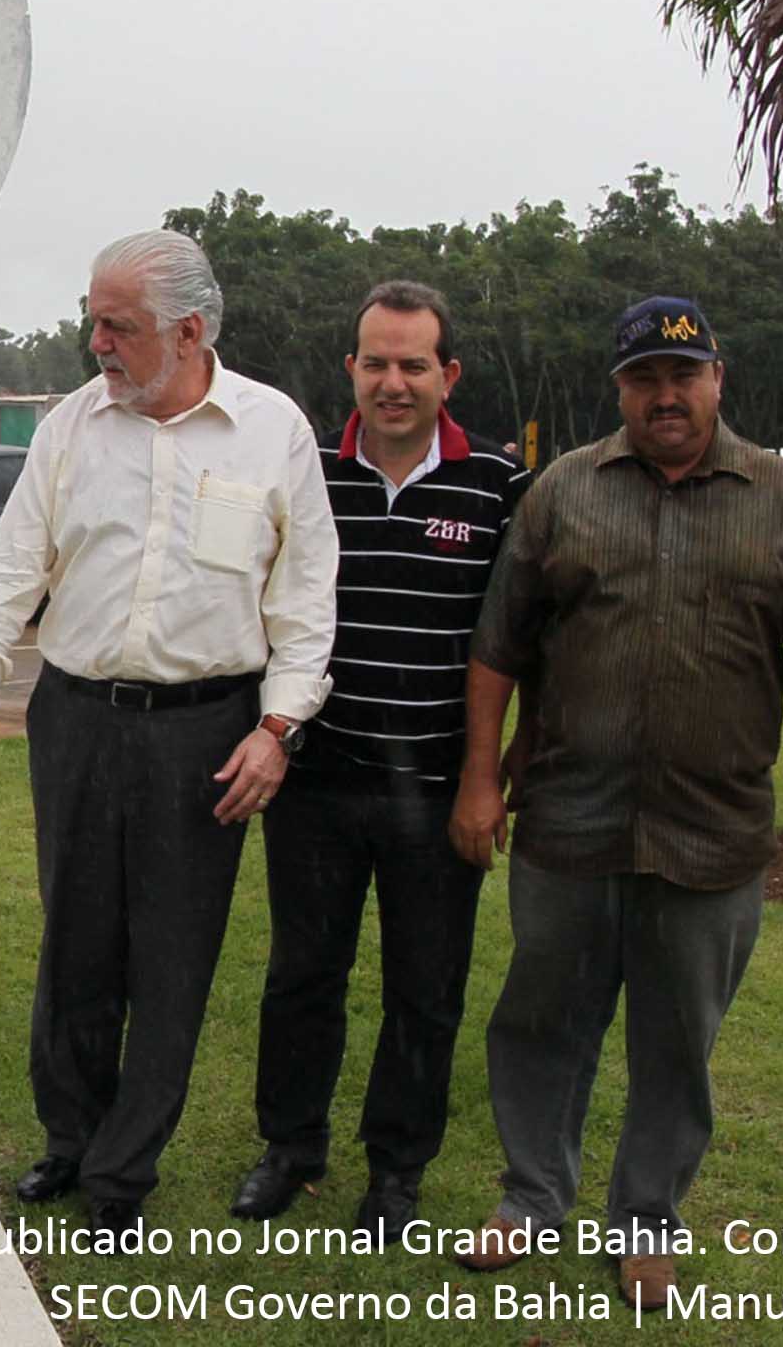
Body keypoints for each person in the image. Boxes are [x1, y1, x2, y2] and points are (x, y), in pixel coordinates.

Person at [0, 230, 337, 1234]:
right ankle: (70, 1139)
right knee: (77, 943)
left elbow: (307, 602)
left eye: (118, 325)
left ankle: (122, 1178)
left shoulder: (273, 430)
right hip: (78, 720)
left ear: (190, 332)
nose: (96, 342)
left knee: (174, 958)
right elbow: (8, 575)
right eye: (92, 320)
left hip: (207, 731)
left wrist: (277, 729)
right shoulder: (73, 427)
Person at [448, 295, 783, 1309]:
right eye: (645, 379)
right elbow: (499, 646)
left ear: (718, 379)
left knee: (679, 1039)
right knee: (543, 1019)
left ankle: (645, 1221)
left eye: (685, 376)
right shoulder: (563, 490)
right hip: (569, 816)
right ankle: (531, 1198)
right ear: (620, 390)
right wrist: (480, 776)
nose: (665, 396)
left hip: (712, 829)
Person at [233, 282, 530, 1245]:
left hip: (437, 787)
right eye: (375, 362)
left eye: (413, 364)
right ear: (350, 368)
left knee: (425, 989)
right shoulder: (308, 471)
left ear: (450, 374)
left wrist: (489, 778)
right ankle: (290, 1149)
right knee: (303, 975)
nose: (392, 383)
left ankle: (397, 1171)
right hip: (317, 778)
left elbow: (519, 643)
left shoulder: (498, 484)